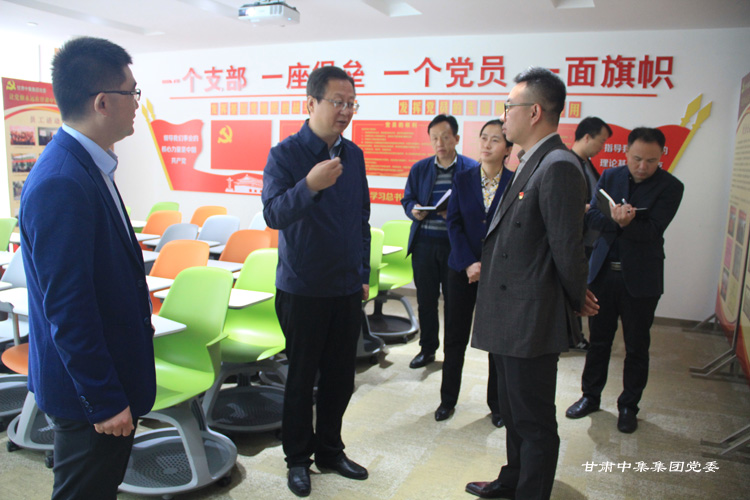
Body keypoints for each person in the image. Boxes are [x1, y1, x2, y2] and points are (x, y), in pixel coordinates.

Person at [18, 37, 156, 499]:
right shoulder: (63, 180)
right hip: (88, 394)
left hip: (106, 378)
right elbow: (68, 308)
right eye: (132, 93)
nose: (137, 104)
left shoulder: (90, 165)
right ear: (102, 102)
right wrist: (104, 399)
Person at [466, 67, 598, 500]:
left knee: (534, 419)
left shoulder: (558, 165)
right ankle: (513, 480)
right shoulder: (532, 160)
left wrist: (577, 296)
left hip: (531, 317)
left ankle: (530, 492)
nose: (504, 115)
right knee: (512, 409)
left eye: (509, 106)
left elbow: (567, 246)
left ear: (535, 112)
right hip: (511, 314)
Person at [262, 66, 371, 498]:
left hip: (346, 287)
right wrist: (308, 185)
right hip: (303, 287)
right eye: (337, 102)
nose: (345, 111)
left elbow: (361, 219)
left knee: (341, 378)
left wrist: (362, 274)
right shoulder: (285, 155)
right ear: (310, 103)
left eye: (351, 103)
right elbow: (273, 214)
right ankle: (297, 459)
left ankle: (329, 450)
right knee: (301, 379)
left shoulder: (354, 155)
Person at [565, 127, 684, 434]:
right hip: (603, 274)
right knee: (599, 341)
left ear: (661, 157)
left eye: (651, 161)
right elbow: (591, 217)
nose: (642, 166)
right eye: (637, 158)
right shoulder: (610, 176)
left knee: (636, 346)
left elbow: (653, 231)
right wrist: (619, 221)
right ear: (626, 152)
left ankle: (629, 406)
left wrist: (624, 224)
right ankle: (590, 396)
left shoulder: (671, 187)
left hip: (641, 280)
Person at [435, 119, 514, 426]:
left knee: (497, 341)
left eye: (495, 140)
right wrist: (469, 262)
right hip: (461, 269)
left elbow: (514, 231)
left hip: (499, 274)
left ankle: (497, 405)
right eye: (483, 138)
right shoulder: (463, 178)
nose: (487, 144)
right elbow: (454, 224)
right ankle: (447, 400)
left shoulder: (516, 182)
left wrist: (490, 266)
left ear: (507, 149)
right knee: (454, 337)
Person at [401, 114, 479, 369]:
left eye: (445, 137)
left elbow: (478, 207)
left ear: (456, 138)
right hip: (424, 244)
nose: (440, 143)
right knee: (426, 300)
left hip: (456, 248)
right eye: (434, 138)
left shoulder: (471, 169)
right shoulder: (420, 168)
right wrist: (413, 210)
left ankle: (452, 353)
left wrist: (455, 212)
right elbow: (407, 199)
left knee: (455, 303)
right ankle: (427, 349)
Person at [570, 116, 612, 350]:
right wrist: (589, 208)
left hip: (590, 240)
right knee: (574, 287)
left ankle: (576, 336)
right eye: (601, 141)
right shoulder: (569, 163)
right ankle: (573, 337)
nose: (602, 147)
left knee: (581, 288)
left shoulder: (587, 164)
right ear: (587, 137)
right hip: (577, 239)